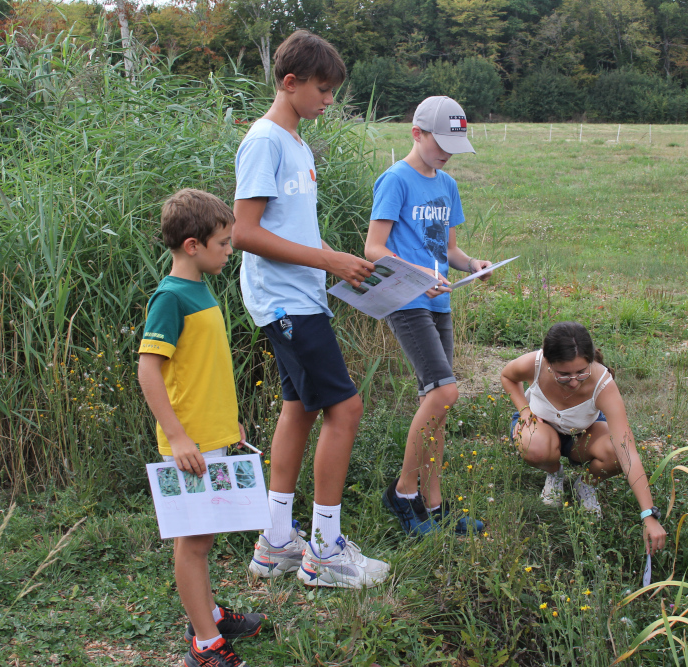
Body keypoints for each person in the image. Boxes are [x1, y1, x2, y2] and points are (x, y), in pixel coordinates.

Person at [231, 30, 389, 588]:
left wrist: (339, 267)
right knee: (345, 409)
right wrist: (329, 262)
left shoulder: (297, 144)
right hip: (285, 301)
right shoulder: (265, 140)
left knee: (298, 409)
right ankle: (324, 551)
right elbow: (244, 233)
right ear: (290, 82)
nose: (329, 101)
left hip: (303, 296)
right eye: (322, 90)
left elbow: (288, 227)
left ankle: (276, 542)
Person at [137, 188, 265, 667]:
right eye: (224, 244)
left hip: (211, 435)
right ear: (192, 245)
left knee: (206, 534)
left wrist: (226, 420)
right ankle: (205, 644)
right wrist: (179, 437)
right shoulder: (170, 298)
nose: (230, 251)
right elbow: (149, 370)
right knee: (193, 543)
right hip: (188, 445)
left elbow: (201, 366)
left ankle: (207, 613)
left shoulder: (200, 289)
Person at [365, 96, 492, 536]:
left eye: (455, 145)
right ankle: (403, 492)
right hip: (407, 300)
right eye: (441, 142)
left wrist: (472, 264)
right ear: (416, 133)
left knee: (435, 406)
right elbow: (374, 249)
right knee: (444, 394)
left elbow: (450, 249)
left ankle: (434, 505)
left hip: (441, 301)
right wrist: (419, 274)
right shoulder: (395, 180)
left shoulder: (447, 185)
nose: (447, 152)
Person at [499, 322, 667, 555]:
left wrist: (649, 514)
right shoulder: (535, 363)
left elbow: (627, 451)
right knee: (534, 446)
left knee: (615, 454)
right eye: (564, 375)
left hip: (581, 435)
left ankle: (586, 484)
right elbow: (507, 376)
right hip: (540, 427)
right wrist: (524, 409)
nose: (575, 381)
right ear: (548, 363)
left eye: (581, 372)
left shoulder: (603, 383)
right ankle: (554, 473)